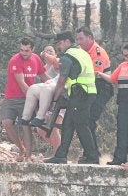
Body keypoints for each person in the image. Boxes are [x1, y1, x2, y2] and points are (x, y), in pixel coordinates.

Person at [44, 31, 99, 165]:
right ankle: (61, 155)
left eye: (60, 43)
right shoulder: (82, 53)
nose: (58, 47)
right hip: (86, 92)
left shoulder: (68, 56)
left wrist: (55, 100)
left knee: (81, 125)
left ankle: (92, 157)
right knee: (68, 123)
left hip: (80, 93)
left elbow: (61, 81)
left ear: (68, 42)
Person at [1, 37, 49, 162]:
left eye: (27, 51)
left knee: (25, 126)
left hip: (27, 98)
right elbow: (22, 84)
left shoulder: (36, 59)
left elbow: (43, 76)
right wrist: (36, 98)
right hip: (12, 97)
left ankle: (28, 156)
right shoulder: (15, 61)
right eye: (21, 50)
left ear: (33, 49)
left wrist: (54, 85)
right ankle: (21, 148)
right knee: (7, 123)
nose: (23, 53)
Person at [75, 26, 112, 160]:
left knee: (88, 119)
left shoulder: (98, 53)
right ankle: (91, 153)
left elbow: (94, 74)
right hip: (90, 88)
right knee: (83, 120)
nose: (78, 42)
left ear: (90, 38)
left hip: (101, 87)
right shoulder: (82, 51)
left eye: (81, 39)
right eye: (77, 39)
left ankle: (93, 154)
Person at [19, 45, 63, 158]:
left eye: (51, 51)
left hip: (58, 100)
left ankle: (58, 153)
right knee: (41, 130)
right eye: (46, 50)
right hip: (46, 103)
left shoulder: (57, 65)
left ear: (55, 54)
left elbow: (52, 80)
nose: (48, 52)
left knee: (54, 128)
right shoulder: (42, 67)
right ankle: (58, 149)